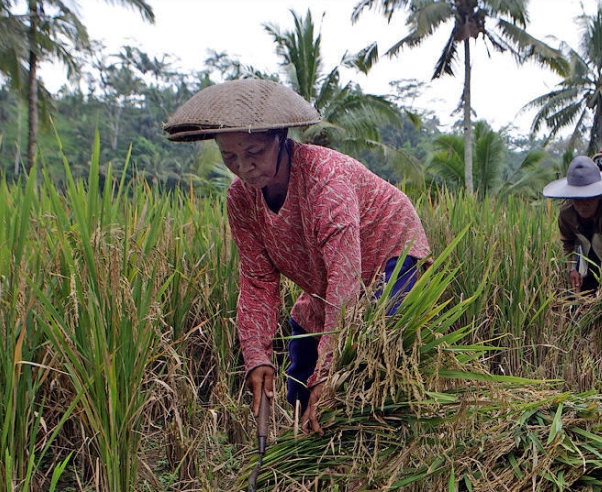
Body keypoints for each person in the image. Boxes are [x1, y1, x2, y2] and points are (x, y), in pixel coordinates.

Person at [163, 78, 431, 435]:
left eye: (254, 152)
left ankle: (371, 446)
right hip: (325, 275)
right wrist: (256, 357)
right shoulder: (241, 199)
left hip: (389, 248)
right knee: (301, 376)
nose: (243, 167)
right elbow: (258, 281)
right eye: (230, 157)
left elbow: (344, 278)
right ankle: (312, 445)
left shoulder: (326, 181)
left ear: (280, 139)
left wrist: (329, 372)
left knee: (366, 355)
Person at [543, 156, 602, 295]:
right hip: (589, 239)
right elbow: (569, 245)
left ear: (599, 195)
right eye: (579, 198)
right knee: (588, 275)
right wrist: (571, 270)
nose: (584, 204)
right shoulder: (566, 214)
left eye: (590, 197)